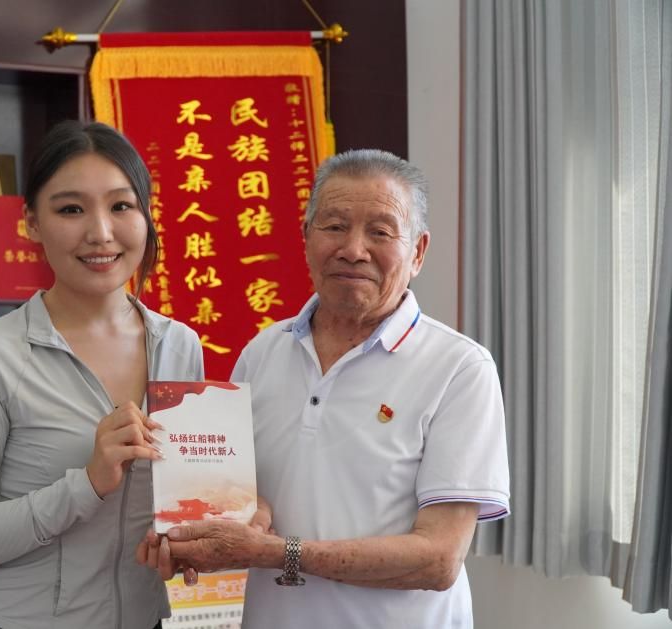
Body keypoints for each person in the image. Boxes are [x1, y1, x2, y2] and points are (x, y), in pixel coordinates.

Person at [139, 149, 510, 628]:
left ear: (418, 252)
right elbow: (241, 495)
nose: (353, 249)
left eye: (380, 232)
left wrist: (278, 553)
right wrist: (201, 531)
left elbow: (438, 560)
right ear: (306, 237)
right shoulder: (262, 352)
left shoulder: (460, 368)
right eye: (334, 226)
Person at [0, 120, 205, 629]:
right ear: (32, 223)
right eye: (71, 209)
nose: (100, 232)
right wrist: (87, 485)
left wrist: (187, 539)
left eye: (121, 206)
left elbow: (183, 498)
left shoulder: (180, 346)